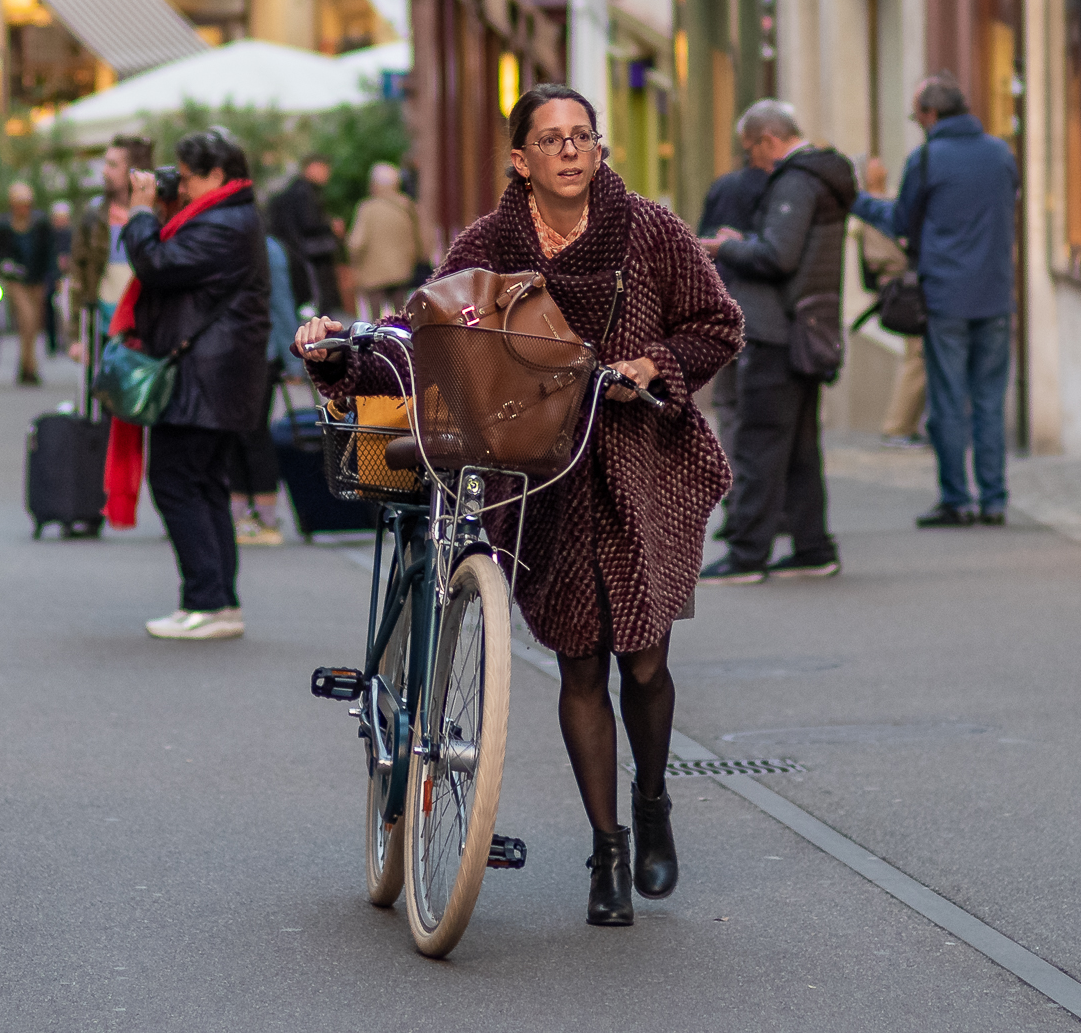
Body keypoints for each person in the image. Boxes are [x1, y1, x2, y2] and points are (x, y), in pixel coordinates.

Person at [296, 84, 743, 926]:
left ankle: (653, 803)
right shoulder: (491, 242)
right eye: (552, 139)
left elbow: (717, 323)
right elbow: (420, 337)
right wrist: (336, 353)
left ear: (599, 148)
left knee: (644, 660)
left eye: (584, 136)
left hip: (644, 469)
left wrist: (653, 366)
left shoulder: (648, 229)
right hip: (542, 481)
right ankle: (606, 848)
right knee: (580, 664)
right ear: (521, 159)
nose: (572, 151)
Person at [116, 129, 270, 640]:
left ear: (216, 176)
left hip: (203, 379)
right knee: (205, 487)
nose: (178, 187)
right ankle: (217, 602)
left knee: (177, 484)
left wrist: (140, 213)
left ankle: (206, 602)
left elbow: (158, 264)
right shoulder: (230, 215)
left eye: (186, 178)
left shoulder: (223, 222)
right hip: (214, 377)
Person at [699, 99, 856, 583]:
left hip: (776, 330)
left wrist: (728, 247)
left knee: (759, 443)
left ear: (769, 140)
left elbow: (778, 256)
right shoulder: (821, 177)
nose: (753, 163)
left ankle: (747, 554)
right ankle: (812, 547)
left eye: (752, 151)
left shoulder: (795, 180)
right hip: (805, 328)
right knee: (800, 447)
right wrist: (745, 240)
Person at [852, 75, 1019, 526]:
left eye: (916, 116)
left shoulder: (926, 158)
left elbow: (901, 220)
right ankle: (995, 499)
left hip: (946, 296)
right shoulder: (1001, 154)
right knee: (988, 399)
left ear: (929, 114)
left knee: (948, 400)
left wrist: (860, 201)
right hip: (997, 293)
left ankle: (957, 499)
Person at [694, 157, 770, 519]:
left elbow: (700, 249)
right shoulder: (781, 188)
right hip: (767, 317)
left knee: (731, 409)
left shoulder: (724, 186)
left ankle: (738, 498)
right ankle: (765, 505)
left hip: (725, 308)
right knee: (762, 416)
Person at [225, 236, 304, 546]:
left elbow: (281, 304)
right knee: (245, 433)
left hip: (248, 352)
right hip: (252, 352)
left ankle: (255, 515)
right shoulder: (265, 247)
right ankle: (252, 514)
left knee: (247, 433)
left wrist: (293, 358)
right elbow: (282, 304)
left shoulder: (262, 248)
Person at [857, 158, 924, 448]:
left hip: (902, 284)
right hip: (903, 288)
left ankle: (903, 425)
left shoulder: (888, 202)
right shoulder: (875, 209)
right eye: (873, 163)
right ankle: (898, 426)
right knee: (917, 357)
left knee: (917, 357)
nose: (881, 164)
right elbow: (884, 255)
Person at [70, 135, 154, 361]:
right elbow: (78, 274)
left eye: (113, 165)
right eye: (105, 163)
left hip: (146, 325)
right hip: (104, 325)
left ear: (134, 170)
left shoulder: (157, 214)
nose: (105, 172)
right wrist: (76, 337)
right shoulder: (95, 215)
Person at [0, 181, 55, 385]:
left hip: (36, 278)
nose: (22, 209)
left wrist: (52, 277)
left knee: (33, 324)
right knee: (27, 317)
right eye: (18, 204)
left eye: (26, 204)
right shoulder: (3, 226)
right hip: (14, 279)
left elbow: (49, 252)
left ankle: (24, 364)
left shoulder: (40, 224)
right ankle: (30, 368)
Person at [267, 154, 343, 316]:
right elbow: (308, 223)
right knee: (319, 303)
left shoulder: (301, 190)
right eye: (323, 169)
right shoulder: (303, 192)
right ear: (312, 167)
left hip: (302, 254)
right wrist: (330, 226)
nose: (326, 174)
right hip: (309, 256)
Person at [347, 162, 423, 319]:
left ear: (374, 184)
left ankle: (378, 343)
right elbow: (419, 237)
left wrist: (353, 263)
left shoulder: (367, 208)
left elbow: (356, 243)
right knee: (401, 316)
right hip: (402, 270)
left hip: (373, 274)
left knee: (375, 320)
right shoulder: (408, 205)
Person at [46, 200, 73, 356]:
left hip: (66, 278)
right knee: (49, 308)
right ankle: (53, 342)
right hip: (51, 277)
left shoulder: (70, 234)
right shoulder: (50, 236)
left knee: (66, 309)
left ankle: (66, 340)